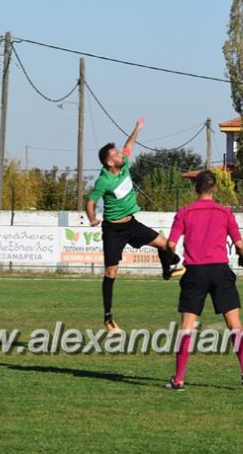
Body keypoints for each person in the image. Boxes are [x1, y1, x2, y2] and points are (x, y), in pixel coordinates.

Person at [165, 170, 243, 391]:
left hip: (195, 273)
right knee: (234, 325)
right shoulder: (225, 212)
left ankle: (179, 379)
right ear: (215, 188)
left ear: (195, 188)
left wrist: (171, 260)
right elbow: (239, 245)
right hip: (220, 271)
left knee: (187, 327)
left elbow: (171, 245)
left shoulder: (185, 212)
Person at [86, 117, 184, 333]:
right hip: (113, 230)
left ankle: (167, 271)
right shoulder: (104, 180)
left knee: (167, 246)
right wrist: (92, 218)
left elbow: (128, 145)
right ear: (109, 162)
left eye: (119, 153)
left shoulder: (124, 164)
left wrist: (137, 129)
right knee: (111, 272)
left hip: (132, 225)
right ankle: (108, 318)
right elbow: (90, 202)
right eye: (116, 154)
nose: (121, 154)